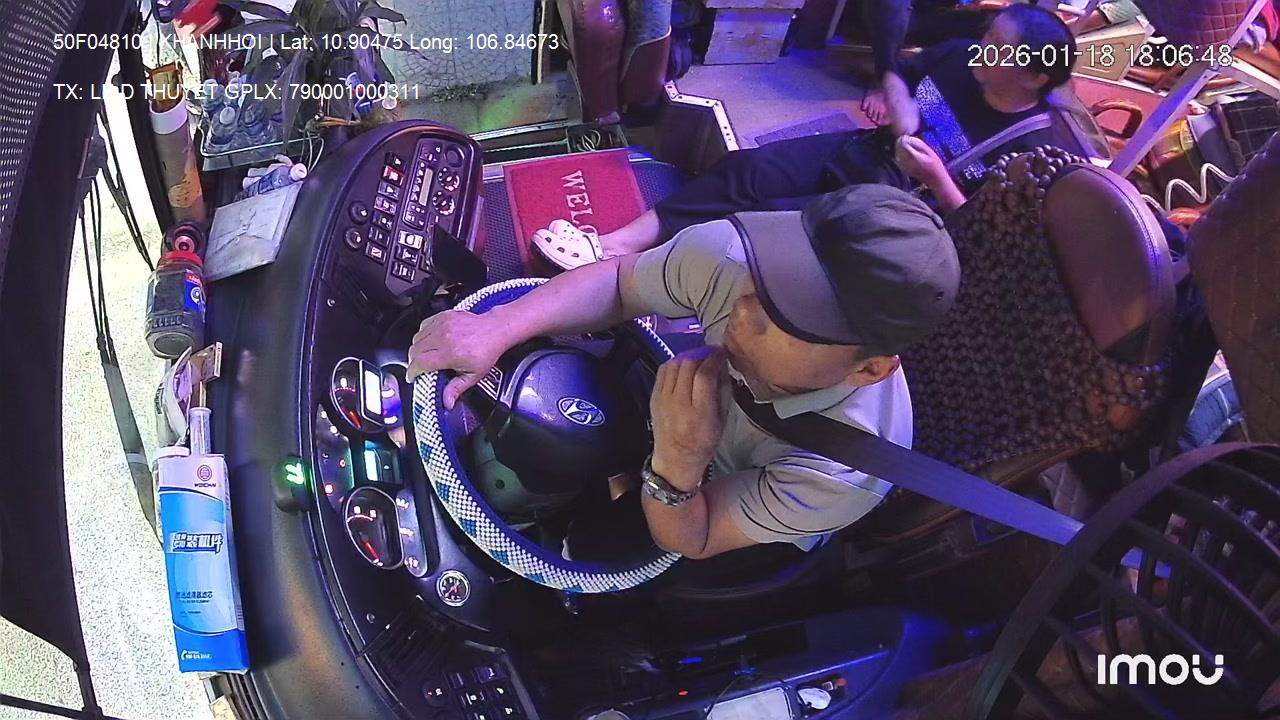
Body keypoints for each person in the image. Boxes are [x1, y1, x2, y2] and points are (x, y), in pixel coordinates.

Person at [408, 184, 960, 560]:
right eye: (774, 277)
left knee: (596, 547)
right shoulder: (734, 258)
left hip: (719, 490)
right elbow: (619, 283)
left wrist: (678, 462)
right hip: (689, 396)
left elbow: (695, 537)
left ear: (868, 368)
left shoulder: (840, 475)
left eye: (794, 318)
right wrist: (498, 326)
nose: (743, 314)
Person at [531, 3, 1087, 270]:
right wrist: (901, 111)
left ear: (1035, 76)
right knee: (745, 170)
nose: (984, 49)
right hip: (867, 150)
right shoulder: (963, 56)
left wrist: (937, 177)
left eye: (1000, 48)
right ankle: (614, 244)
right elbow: (899, 74)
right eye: (989, 38)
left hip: (898, 209)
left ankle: (629, 274)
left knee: (761, 223)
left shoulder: (1032, 147)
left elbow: (979, 233)